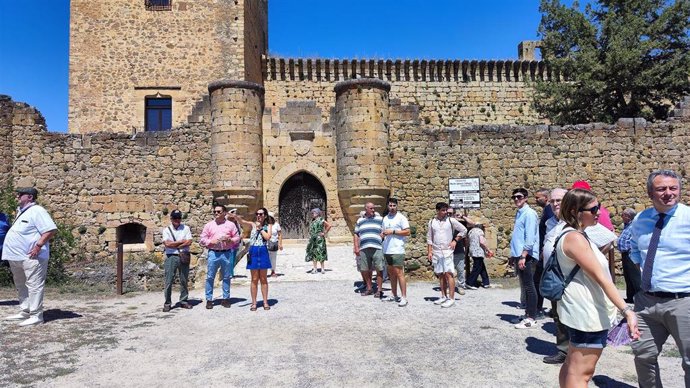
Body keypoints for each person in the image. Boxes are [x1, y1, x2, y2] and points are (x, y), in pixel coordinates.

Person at [555, 188, 639, 387]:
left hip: (582, 311)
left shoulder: (575, 235)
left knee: (572, 366)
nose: (598, 213)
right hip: (587, 315)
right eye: (593, 209)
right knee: (581, 373)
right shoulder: (574, 238)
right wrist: (627, 310)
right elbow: (602, 278)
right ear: (576, 211)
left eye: (598, 207)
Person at [542, 187, 617, 364]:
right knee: (559, 318)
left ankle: (567, 351)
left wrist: (589, 259)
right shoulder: (553, 224)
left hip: (576, 288)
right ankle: (564, 349)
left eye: (559, 200)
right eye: (552, 201)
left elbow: (609, 240)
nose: (554, 204)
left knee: (579, 368)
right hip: (561, 281)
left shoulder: (581, 230)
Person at [629, 170, 690, 388]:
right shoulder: (641, 219)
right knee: (643, 355)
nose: (668, 193)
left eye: (673, 188)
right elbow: (634, 248)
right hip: (646, 302)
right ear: (650, 193)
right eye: (661, 189)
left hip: (683, 302)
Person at [2, 187, 57, 326]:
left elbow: (50, 230)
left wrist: (38, 246)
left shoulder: (37, 211)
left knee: (34, 285)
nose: (18, 197)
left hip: (32, 257)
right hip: (17, 257)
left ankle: (36, 315)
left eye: (21, 195)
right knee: (21, 285)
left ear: (30, 197)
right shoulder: (21, 212)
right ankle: (25, 311)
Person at [427, 202, 467, 308]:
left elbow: (464, 230)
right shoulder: (432, 222)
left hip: (447, 251)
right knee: (440, 274)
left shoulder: (451, 220)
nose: (445, 212)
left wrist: (455, 240)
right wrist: (430, 251)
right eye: (443, 210)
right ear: (437, 211)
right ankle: (443, 296)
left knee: (449, 274)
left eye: (446, 210)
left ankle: (451, 298)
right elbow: (429, 238)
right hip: (436, 251)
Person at [199, 205, 240, 309]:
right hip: (213, 253)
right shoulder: (209, 225)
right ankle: (209, 299)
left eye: (218, 212)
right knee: (210, 277)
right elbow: (202, 239)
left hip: (226, 253)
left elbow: (237, 237)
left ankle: (226, 298)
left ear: (224, 213)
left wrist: (230, 240)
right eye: (215, 211)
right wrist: (210, 241)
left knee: (226, 277)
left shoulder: (231, 225)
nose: (216, 213)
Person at [510, 188, 540, 328]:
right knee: (525, 285)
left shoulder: (529, 214)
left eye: (519, 197)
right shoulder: (520, 213)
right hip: (519, 254)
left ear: (526, 198)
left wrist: (523, 255)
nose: (516, 199)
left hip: (526, 255)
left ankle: (531, 317)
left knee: (529, 286)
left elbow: (530, 237)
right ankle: (528, 313)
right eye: (514, 197)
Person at [237, 207, 273, 310]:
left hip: (263, 251)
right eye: (257, 214)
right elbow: (242, 221)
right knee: (254, 279)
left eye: (261, 214)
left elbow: (267, 237)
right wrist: (235, 216)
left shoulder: (268, 226)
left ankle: (265, 302)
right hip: (253, 251)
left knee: (263, 279)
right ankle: (254, 303)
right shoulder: (253, 225)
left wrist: (260, 229)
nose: (258, 216)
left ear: (265, 216)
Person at [161, 209, 193, 312]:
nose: (177, 220)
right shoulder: (166, 230)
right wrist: (181, 242)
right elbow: (167, 244)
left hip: (184, 255)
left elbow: (189, 242)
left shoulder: (186, 228)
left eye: (179, 218)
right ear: (171, 218)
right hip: (171, 256)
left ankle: (184, 300)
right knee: (169, 280)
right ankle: (167, 303)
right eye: (175, 218)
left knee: (184, 279)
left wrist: (175, 243)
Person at [381, 197, 411, 305]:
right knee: (391, 274)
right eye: (390, 205)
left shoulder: (401, 218)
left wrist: (393, 231)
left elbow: (407, 232)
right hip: (387, 249)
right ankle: (394, 295)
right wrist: (382, 234)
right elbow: (384, 231)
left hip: (397, 249)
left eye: (394, 205)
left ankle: (404, 297)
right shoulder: (385, 218)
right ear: (387, 206)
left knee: (399, 273)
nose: (392, 208)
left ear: (397, 206)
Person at [353, 203, 385, 299]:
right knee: (365, 269)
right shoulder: (360, 220)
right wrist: (356, 247)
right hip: (364, 248)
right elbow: (356, 234)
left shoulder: (380, 219)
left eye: (374, 208)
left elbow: (385, 230)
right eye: (371, 208)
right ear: (366, 209)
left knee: (379, 269)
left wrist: (382, 236)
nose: (373, 210)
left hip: (377, 247)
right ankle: (369, 288)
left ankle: (379, 290)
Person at [535, 187, 554, 313]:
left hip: (545, 251)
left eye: (538, 197)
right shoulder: (546, 210)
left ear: (546, 198)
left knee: (538, 280)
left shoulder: (549, 211)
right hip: (544, 250)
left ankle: (537, 308)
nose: (535, 200)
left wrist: (543, 249)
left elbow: (550, 231)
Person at [616, 208, 640, 303]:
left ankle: (639, 299)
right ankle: (630, 297)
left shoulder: (634, 226)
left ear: (628, 216)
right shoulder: (627, 226)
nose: (621, 217)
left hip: (631, 254)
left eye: (623, 215)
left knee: (635, 277)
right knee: (628, 276)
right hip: (625, 254)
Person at [446, 207, 467, 295]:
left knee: (460, 270)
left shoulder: (459, 224)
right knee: (448, 270)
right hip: (447, 251)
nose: (448, 215)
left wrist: (465, 248)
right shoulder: (444, 224)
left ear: (454, 214)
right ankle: (448, 286)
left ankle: (461, 287)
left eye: (450, 214)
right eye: (447, 213)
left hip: (458, 250)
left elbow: (465, 236)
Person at [465, 224, 494, 288]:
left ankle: (486, 282)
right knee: (477, 268)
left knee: (481, 267)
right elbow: (482, 242)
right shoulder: (480, 231)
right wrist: (488, 250)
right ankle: (470, 283)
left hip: (472, 251)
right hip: (478, 252)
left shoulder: (471, 231)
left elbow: (468, 242)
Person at [305, 208, 331, 274]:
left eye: (313, 213)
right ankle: (315, 268)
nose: (312, 214)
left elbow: (329, 225)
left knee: (321, 252)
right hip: (313, 239)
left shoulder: (321, 220)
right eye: (312, 213)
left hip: (320, 239)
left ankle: (322, 268)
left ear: (317, 213)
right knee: (314, 253)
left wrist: (324, 233)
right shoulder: (313, 221)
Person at [267, 212, 282, 278]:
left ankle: (273, 271)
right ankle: (264, 271)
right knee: (266, 258)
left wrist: (280, 244)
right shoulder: (265, 225)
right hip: (266, 243)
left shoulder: (276, 225)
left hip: (274, 243)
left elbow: (280, 234)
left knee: (273, 258)